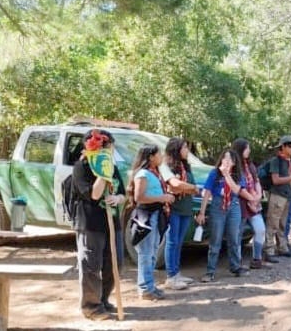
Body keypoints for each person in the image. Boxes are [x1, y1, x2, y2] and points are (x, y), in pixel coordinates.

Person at [72, 129, 126, 320]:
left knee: (115, 263)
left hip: (111, 222)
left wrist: (117, 198)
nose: (112, 149)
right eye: (109, 145)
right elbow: (94, 194)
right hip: (90, 222)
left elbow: (123, 193)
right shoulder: (81, 167)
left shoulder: (111, 165)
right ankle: (91, 307)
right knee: (91, 266)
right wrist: (103, 174)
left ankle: (103, 299)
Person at [196, 149, 257, 281]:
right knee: (215, 239)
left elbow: (236, 190)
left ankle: (235, 267)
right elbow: (207, 192)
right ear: (221, 160)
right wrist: (202, 212)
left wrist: (227, 175)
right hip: (218, 206)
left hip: (234, 206)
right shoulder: (214, 173)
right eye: (225, 158)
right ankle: (210, 271)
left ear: (235, 162)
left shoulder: (238, 174)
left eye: (230, 159)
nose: (227, 161)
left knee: (234, 238)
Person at [127, 144, 175, 300]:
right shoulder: (142, 174)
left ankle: (149, 285)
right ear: (150, 157)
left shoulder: (155, 173)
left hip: (155, 214)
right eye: (158, 154)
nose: (161, 156)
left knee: (152, 252)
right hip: (146, 216)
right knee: (146, 254)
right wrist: (162, 198)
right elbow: (139, 197)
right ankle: (145, 288)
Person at [160, 138, 199, 290]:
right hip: (174, 209)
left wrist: (186, 187)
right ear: (176, 149)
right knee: (172, 241)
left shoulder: (185, 167)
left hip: (186, 209)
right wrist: (189, 187)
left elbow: (188, 187)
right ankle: (171, 276)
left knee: (179, 242)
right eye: (184, 148)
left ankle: (177, 273)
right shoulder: (165, 166)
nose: (187, 151)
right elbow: (174, 185)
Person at [264, 135, 291, 259]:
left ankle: (282, 247)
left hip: (288, 196)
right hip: (277, 195)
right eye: (290, 146)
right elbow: (275, 180)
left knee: (283, 224)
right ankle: (268, 250)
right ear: (283, 147)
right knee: (272, 223)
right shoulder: (276, 161)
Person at [232, 138, 268, 269]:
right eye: (247, 148)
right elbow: (237, 187)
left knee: (260, 229)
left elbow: (256, 181)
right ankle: (237, 262)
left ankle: (257, 259)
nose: (249, 150)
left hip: (254, 203)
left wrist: (257, 196)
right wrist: (250, 198)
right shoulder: (234, 166)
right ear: (240, 149)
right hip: (240, 204)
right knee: (238, 234)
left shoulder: (250, 165)